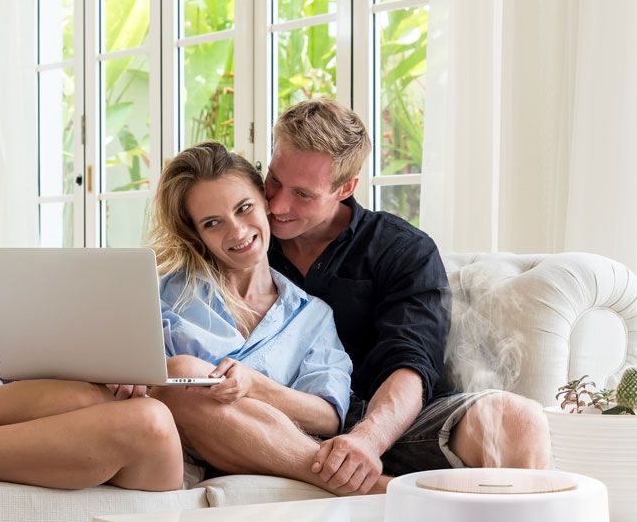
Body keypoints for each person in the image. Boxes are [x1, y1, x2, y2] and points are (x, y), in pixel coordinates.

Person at [0, 143, 350, 492]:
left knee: (161, 402)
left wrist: (253, 385)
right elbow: (111, 367)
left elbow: (327, 416)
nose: (234, 231)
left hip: (205, 460)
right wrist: (124, 368)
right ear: (196, 234)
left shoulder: (311, 315)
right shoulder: (166, 289)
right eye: (212, 223)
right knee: (92, 396)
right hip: (138, 436)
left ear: (265, 201)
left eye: (243, 208)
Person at [158, 99, 551, 496]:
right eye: (274, 181)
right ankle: (372, 488)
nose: (277, 206)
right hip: (273, 424)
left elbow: (410, 364)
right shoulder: (244, 238)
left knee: (519, 420)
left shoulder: (401, 250)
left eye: (303, 194)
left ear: (345, 188)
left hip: (392, 422)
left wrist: (367, 439)